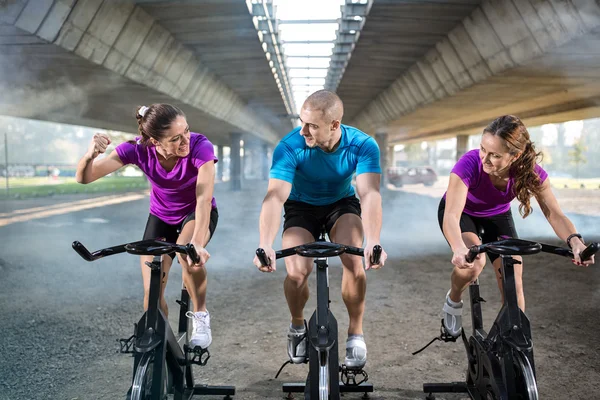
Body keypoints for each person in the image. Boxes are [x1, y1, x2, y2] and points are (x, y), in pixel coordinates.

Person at [252, 90, 388, 369]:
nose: (303, 131)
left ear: (335, 125)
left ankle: (356, 333)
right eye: (302, 122)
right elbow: (275, 196)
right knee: (297, 271)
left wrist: (374, 241)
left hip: (341, 204)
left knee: (354, 261)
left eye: (312, 125)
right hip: (301, 207)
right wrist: (264, 243)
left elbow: (370, 194)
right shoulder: (289, 146)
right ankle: (297, 325)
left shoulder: (363, 144)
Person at [75, 103, 219, 349]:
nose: (185, 140)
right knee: (151, 293)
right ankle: (162, 349)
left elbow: (203, 199)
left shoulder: (200, 146)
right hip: (161, 217)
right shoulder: (136, 150)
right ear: (154, 141)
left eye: (186, 131)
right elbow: (84, 177)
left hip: (194, 213)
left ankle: (201, 315)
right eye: (175, 138)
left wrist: (196, 241)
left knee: (188, 254)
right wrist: (90, 155)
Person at [439, 115, 595, 337]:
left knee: (514, 284)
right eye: (483, 149)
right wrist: (458, 247)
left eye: (495, 155)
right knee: (474, 264)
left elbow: (554, 214)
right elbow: (452, 215)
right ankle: (453, 301)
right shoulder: (469, 164)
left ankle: (512, 342)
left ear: (516, 156)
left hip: (497, 216)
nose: (485, 159)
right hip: (464, 214)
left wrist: (576, 242)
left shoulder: (531, 173)